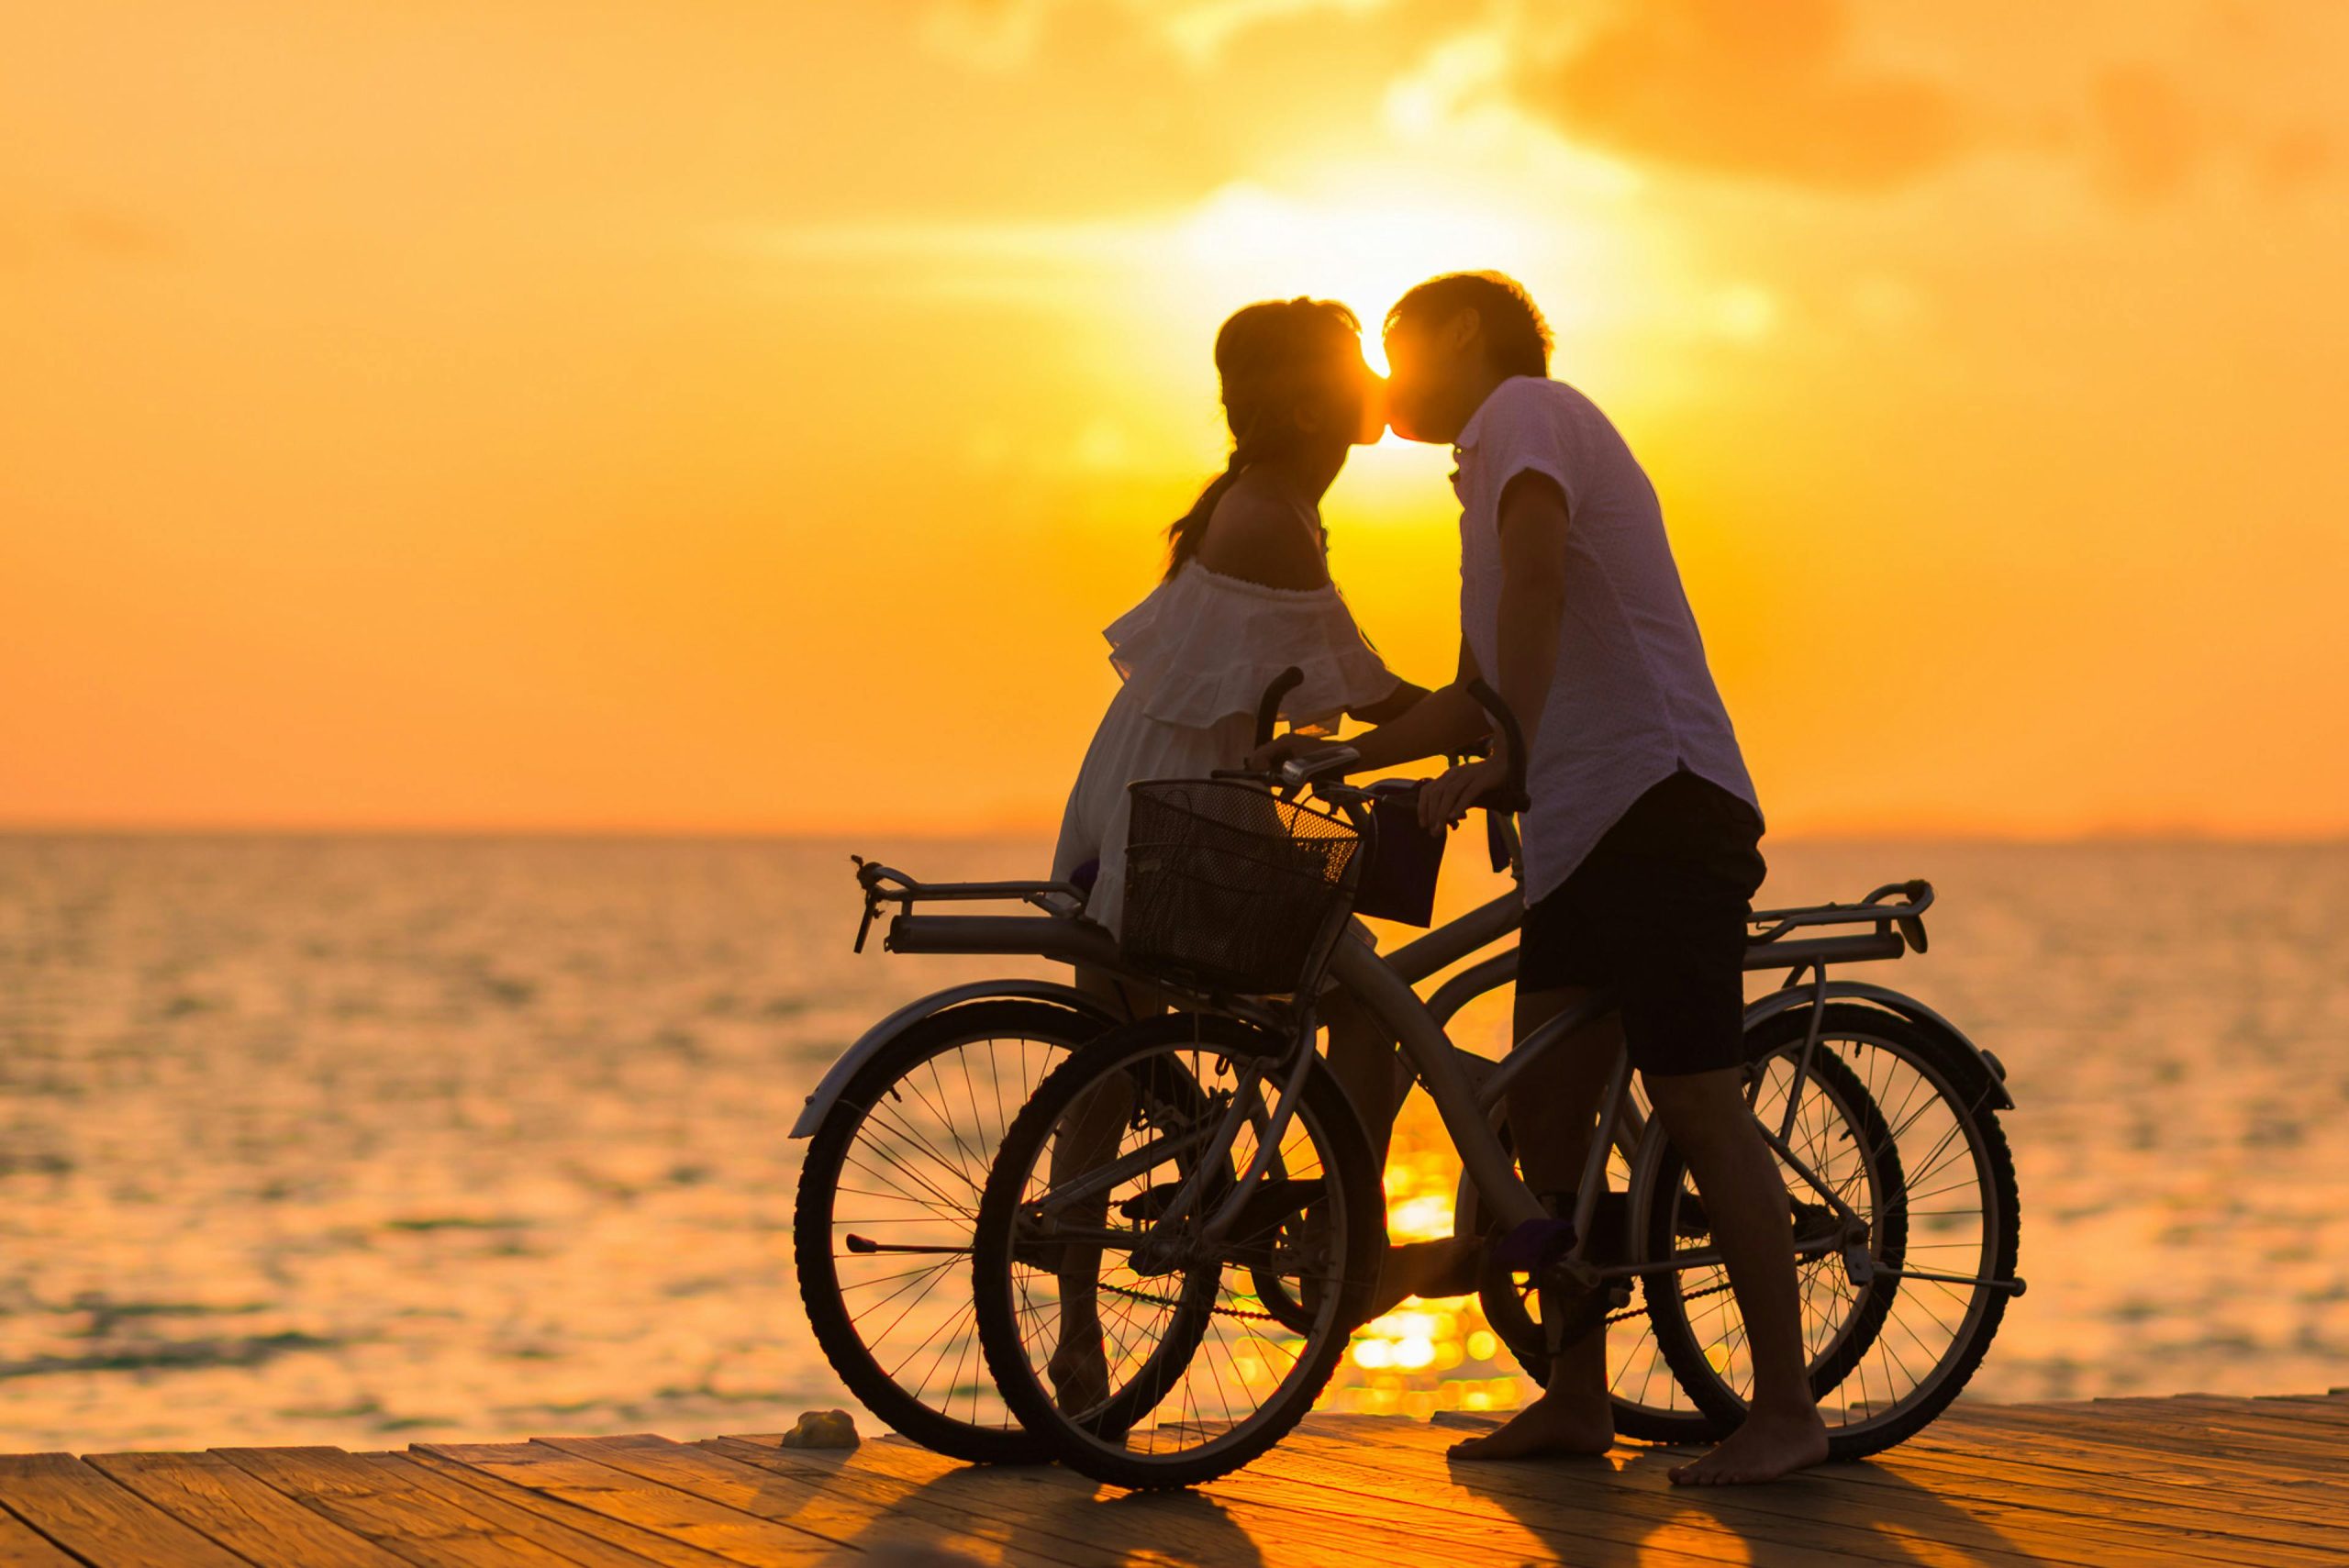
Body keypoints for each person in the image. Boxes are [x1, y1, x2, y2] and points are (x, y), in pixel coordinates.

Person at [1252, 272, 1828, 1485]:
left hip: (1662, 801)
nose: (1386, 377)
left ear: (1463, 332)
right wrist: (1353, 753)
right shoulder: (1483, 479)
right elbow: (1476, 688)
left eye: (1399, 345)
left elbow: (1543, 585)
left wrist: (1506, 745)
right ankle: (1577, 1396)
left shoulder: (1526, 412)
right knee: (1550, 1118)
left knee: (1694, 1099)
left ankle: (1786, 1410)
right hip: (1576, 827)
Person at [1044, 295, 1426, 1411]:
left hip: (1146, 808)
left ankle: (1075, 1343)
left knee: (1104, 1068)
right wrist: (1500, 720)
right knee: (1371, 1011)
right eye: (1357, 364)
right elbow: (1367, 687)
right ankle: (1341, 1237)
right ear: (1308, 399)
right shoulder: (1271, 518)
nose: (1375, 381)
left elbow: (1293, 689)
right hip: (1192, 829)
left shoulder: (1254, 504)